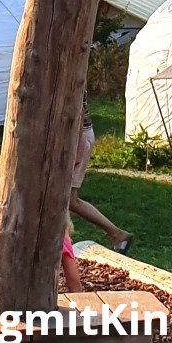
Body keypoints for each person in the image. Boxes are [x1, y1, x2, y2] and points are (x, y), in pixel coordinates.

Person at [68, 102, 131, 253]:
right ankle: (117, 234)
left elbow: (78, 109)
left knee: (66, 198)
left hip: (77, 137)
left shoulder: (69, 78)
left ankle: (117, 234)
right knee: (68, 199)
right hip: (78, 135)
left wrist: (76, 146)